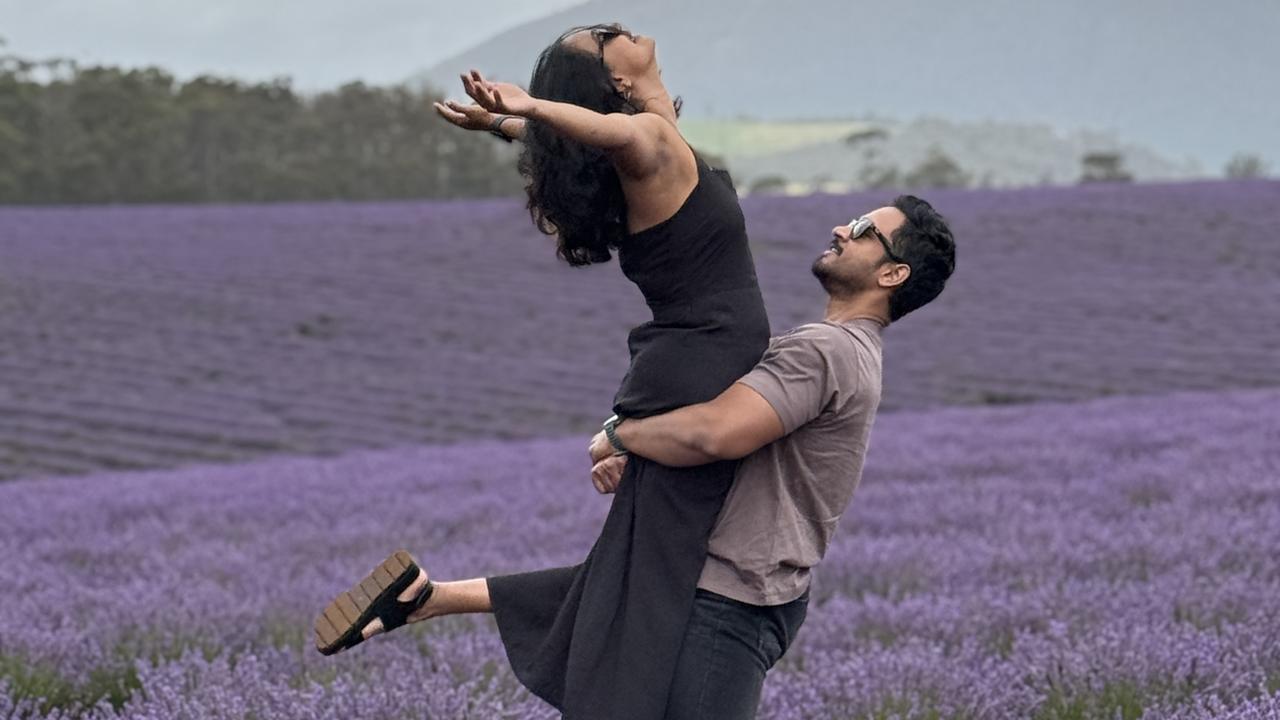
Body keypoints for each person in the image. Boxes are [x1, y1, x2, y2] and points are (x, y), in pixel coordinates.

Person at [314, 23, 773, 720]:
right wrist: (527, 109)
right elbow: (605, 135)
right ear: (615, 82)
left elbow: (588, 145)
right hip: (703, 370)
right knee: (654, 576)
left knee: (643, 563)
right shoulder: (644, 141)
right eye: (608, 36)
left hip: (692, 367)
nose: (628, 28)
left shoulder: (651, 140)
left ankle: (430, 599)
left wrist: (509, 123)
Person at [587, 196, 956, 719]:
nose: (841, 229)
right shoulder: (854, 351)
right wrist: (648, 465)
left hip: (726, 604)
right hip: (750, 596)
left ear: (893, 273)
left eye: (864, 229)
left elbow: (716, 435)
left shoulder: (825, 349)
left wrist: (620, 434)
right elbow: (751, 455)